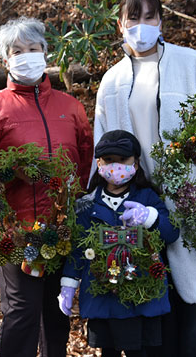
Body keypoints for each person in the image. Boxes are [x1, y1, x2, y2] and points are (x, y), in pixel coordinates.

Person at [93, 0, 196, 357]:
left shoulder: (188, 62)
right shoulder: (111, 81)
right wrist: (100, 203)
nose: (142, 25)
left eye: (150, 17)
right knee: (150, 318)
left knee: (193, 319)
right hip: (137, 207)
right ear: (121, 24)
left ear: (161, 22)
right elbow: (101, 148)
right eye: (134, 18)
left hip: (191, 202)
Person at [0, 17, 94, 357]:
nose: (26, 56)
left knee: (56, 314)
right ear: (5, 60)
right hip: (14, 229)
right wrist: (14, 172)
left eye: (33, 49)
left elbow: (85, 161)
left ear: (45, 53)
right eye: (17, 51)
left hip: (61, 227)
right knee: (21, 314)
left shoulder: (70, 107)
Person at [58, 130, 179, 357]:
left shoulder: (148, 197)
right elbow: (78, 248)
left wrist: (149, 217)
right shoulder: (86, 204)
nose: (116, 167)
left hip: (142, 293)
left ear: (136, 162)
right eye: (110, 160)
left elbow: (171, 233)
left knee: (140, 351)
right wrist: (69, 284)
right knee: (109, 350)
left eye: (123, 160)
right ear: (99, 163)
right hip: (103, 293)